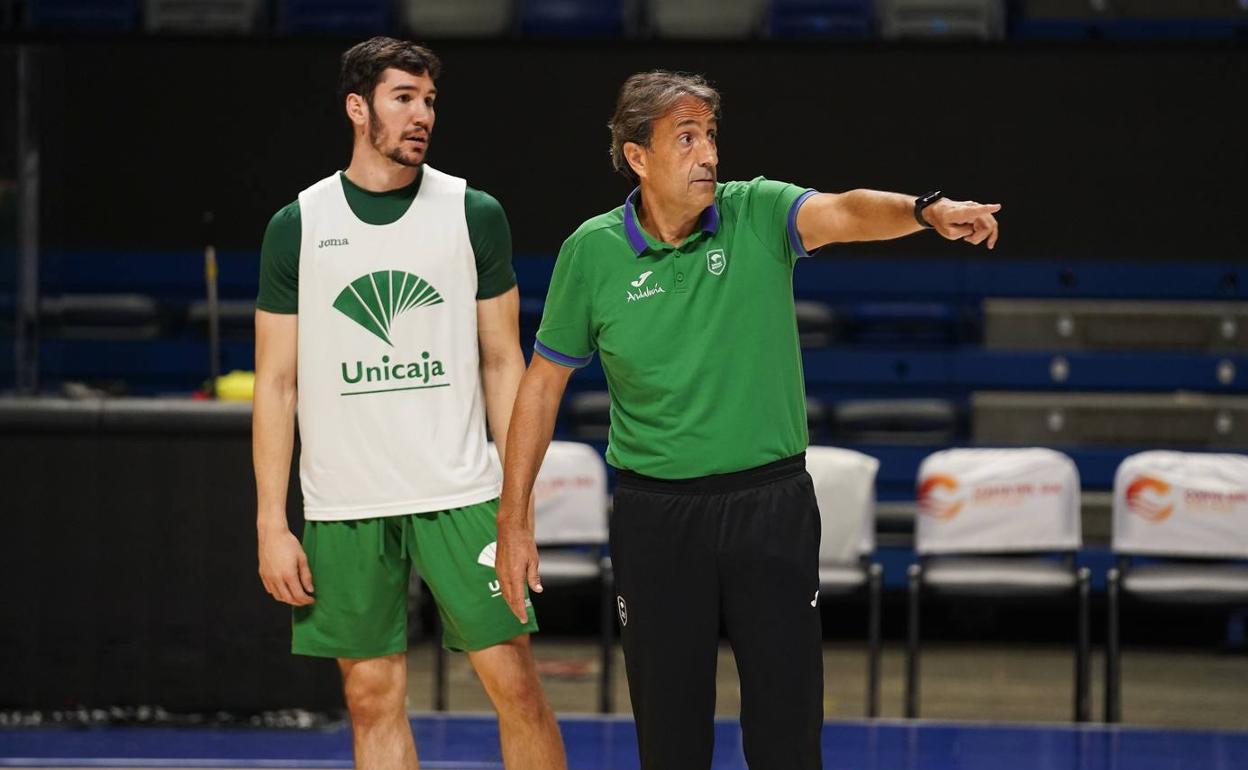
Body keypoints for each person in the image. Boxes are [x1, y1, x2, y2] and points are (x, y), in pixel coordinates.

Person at [494, 70, 1001, 770]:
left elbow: (848, 212)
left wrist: (926, 210)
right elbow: (541, 387)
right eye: (686, 138)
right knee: (670, 740)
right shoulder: (592, 252)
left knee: (787, 732)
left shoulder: (757, 211)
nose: (709, 154)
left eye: (710, 136)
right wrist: (513, 520)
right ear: (638, 156)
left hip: (770, 507)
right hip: (656, 518)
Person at [253, 37, 567, 770]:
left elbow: (502, 362)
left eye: (429, 100)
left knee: (515, 683)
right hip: (343, 499)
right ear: (358, 108)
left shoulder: (474, 212)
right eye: (404, 97)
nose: (422, 114)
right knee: (370, 697)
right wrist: (272, 521)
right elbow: (276, 383)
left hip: (461, 491)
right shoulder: (296, 225)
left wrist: (516, 504)